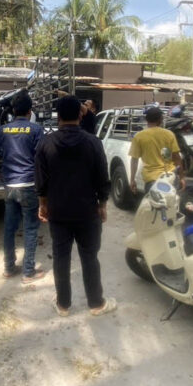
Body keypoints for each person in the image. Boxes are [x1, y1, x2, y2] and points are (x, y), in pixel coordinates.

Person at [35, 95, 116, 316]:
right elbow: (102, 176)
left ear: (58, 116)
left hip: (58, 211)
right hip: (87, 211)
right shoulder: (93, 142)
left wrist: (43, 204)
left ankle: (63, 305)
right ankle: (96, 304)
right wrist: (102, 204)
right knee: (90, 257)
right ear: (80, 115)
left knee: (61, 257)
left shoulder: (46, 143)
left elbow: (41, 180)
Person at [0, 92, 47, 283]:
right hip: (29, 185)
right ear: (30, 111)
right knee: (31, 229)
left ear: (13, 111)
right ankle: (28, 272)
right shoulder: (36, 130)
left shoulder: (4, 129)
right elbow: (42, 157)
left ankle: (9, 268)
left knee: (9, 229)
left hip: (10, 186)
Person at [128, 105, 185, 194]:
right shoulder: (169, 134)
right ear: (160, 119)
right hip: (169, 177)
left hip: (151, 180)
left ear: (146, 120)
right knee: (171, 202)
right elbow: (177, 157)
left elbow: (134, 160)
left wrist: (132, 180)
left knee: (153, 203)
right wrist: (181, 177)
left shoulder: (139, 136)